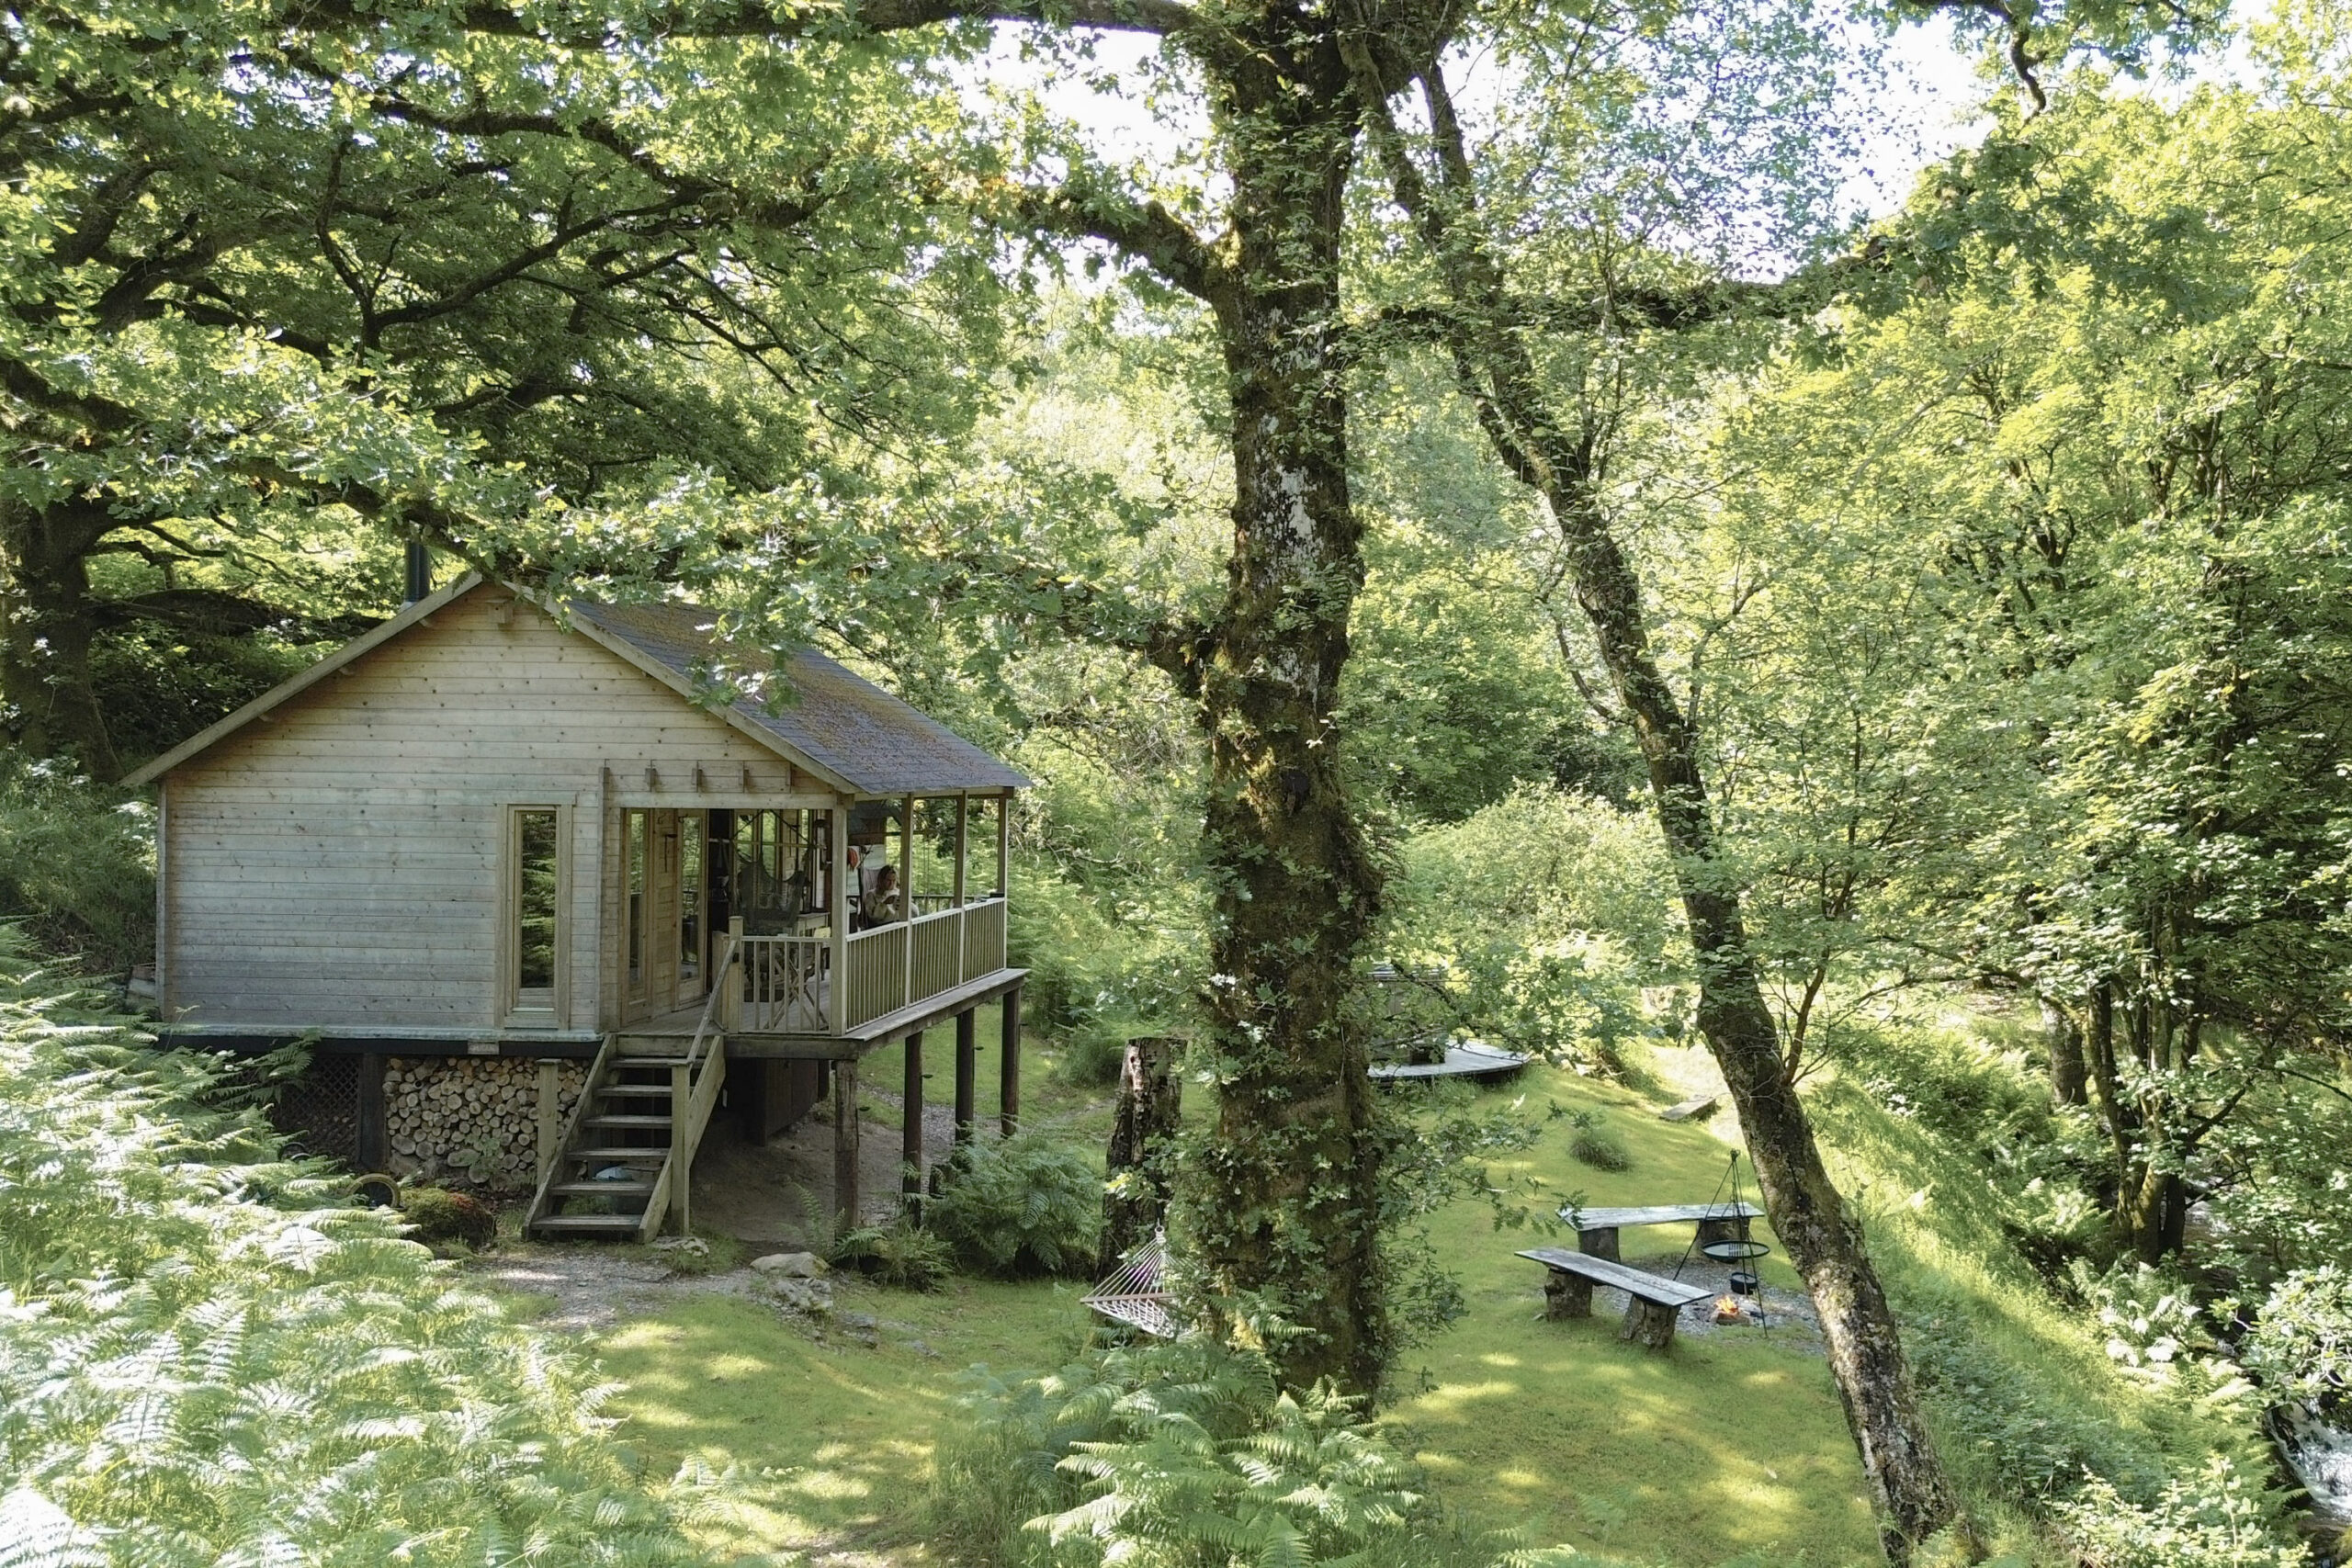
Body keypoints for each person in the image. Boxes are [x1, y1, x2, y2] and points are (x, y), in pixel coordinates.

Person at [861, 863, 904, 927]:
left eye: (894, 880)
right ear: (881, 880)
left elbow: (914, 912)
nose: (891, 884)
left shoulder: (899, 892)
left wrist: (904, 903)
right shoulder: (872, 895)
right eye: (888, 880)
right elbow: (874, 917)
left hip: (900, 925)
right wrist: (884, 903)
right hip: (883, 929)